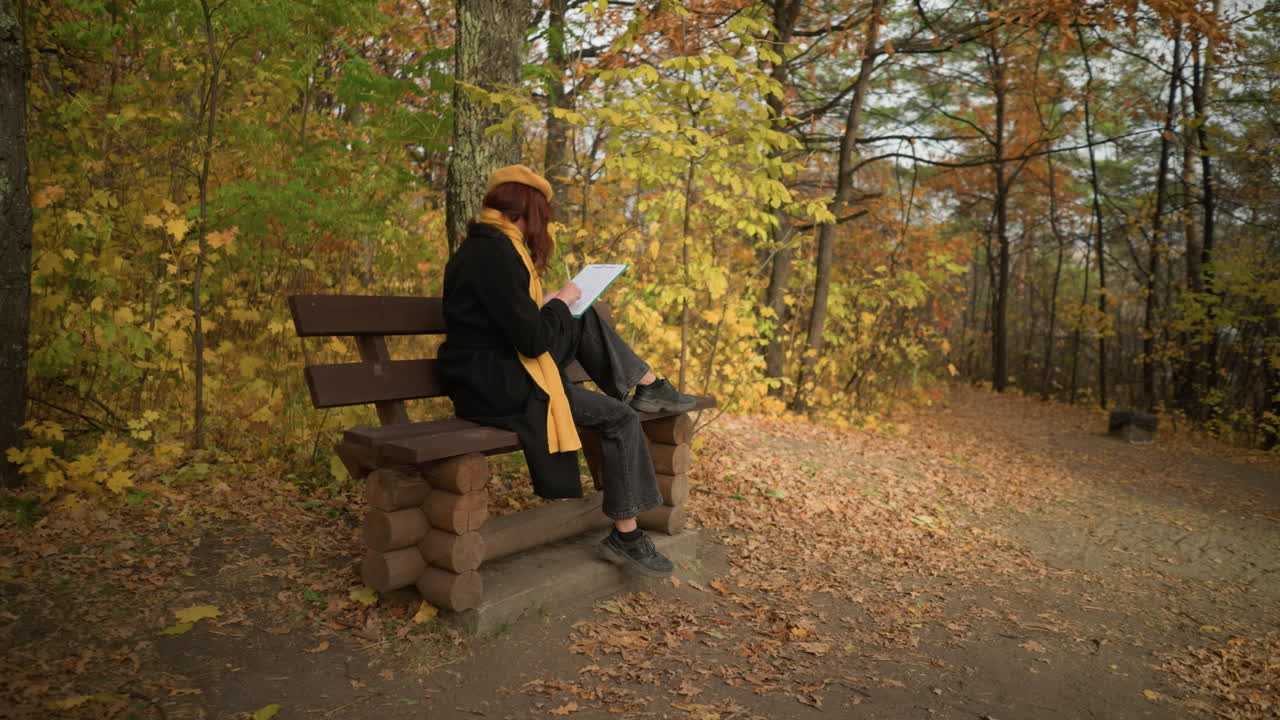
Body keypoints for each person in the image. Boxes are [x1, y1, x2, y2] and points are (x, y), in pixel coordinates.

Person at [438, 164, 697, 577]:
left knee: (582, 313)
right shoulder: (496, 255)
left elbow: (506, 322)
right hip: (498, 385)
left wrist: (559, 303)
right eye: (543, 216)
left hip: (499, 371)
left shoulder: (488, 248)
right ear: (528, 211)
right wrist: (560, 302)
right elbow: (531, 341)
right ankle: (626, 536)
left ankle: (646, 383)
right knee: (620, 417)